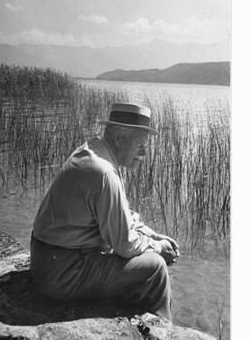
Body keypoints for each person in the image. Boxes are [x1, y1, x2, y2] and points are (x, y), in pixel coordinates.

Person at [30, 103, 179, 321]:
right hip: (60, 275)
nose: (144, 152)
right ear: (119, 137)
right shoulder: (105, 173)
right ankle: (165, 333)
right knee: (156, 268)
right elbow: (125, 245)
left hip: (45, 262)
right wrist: (158, 248)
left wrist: (152, 234)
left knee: (134, 254)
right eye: (140, 144)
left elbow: (119, 216)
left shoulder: (93, 151)